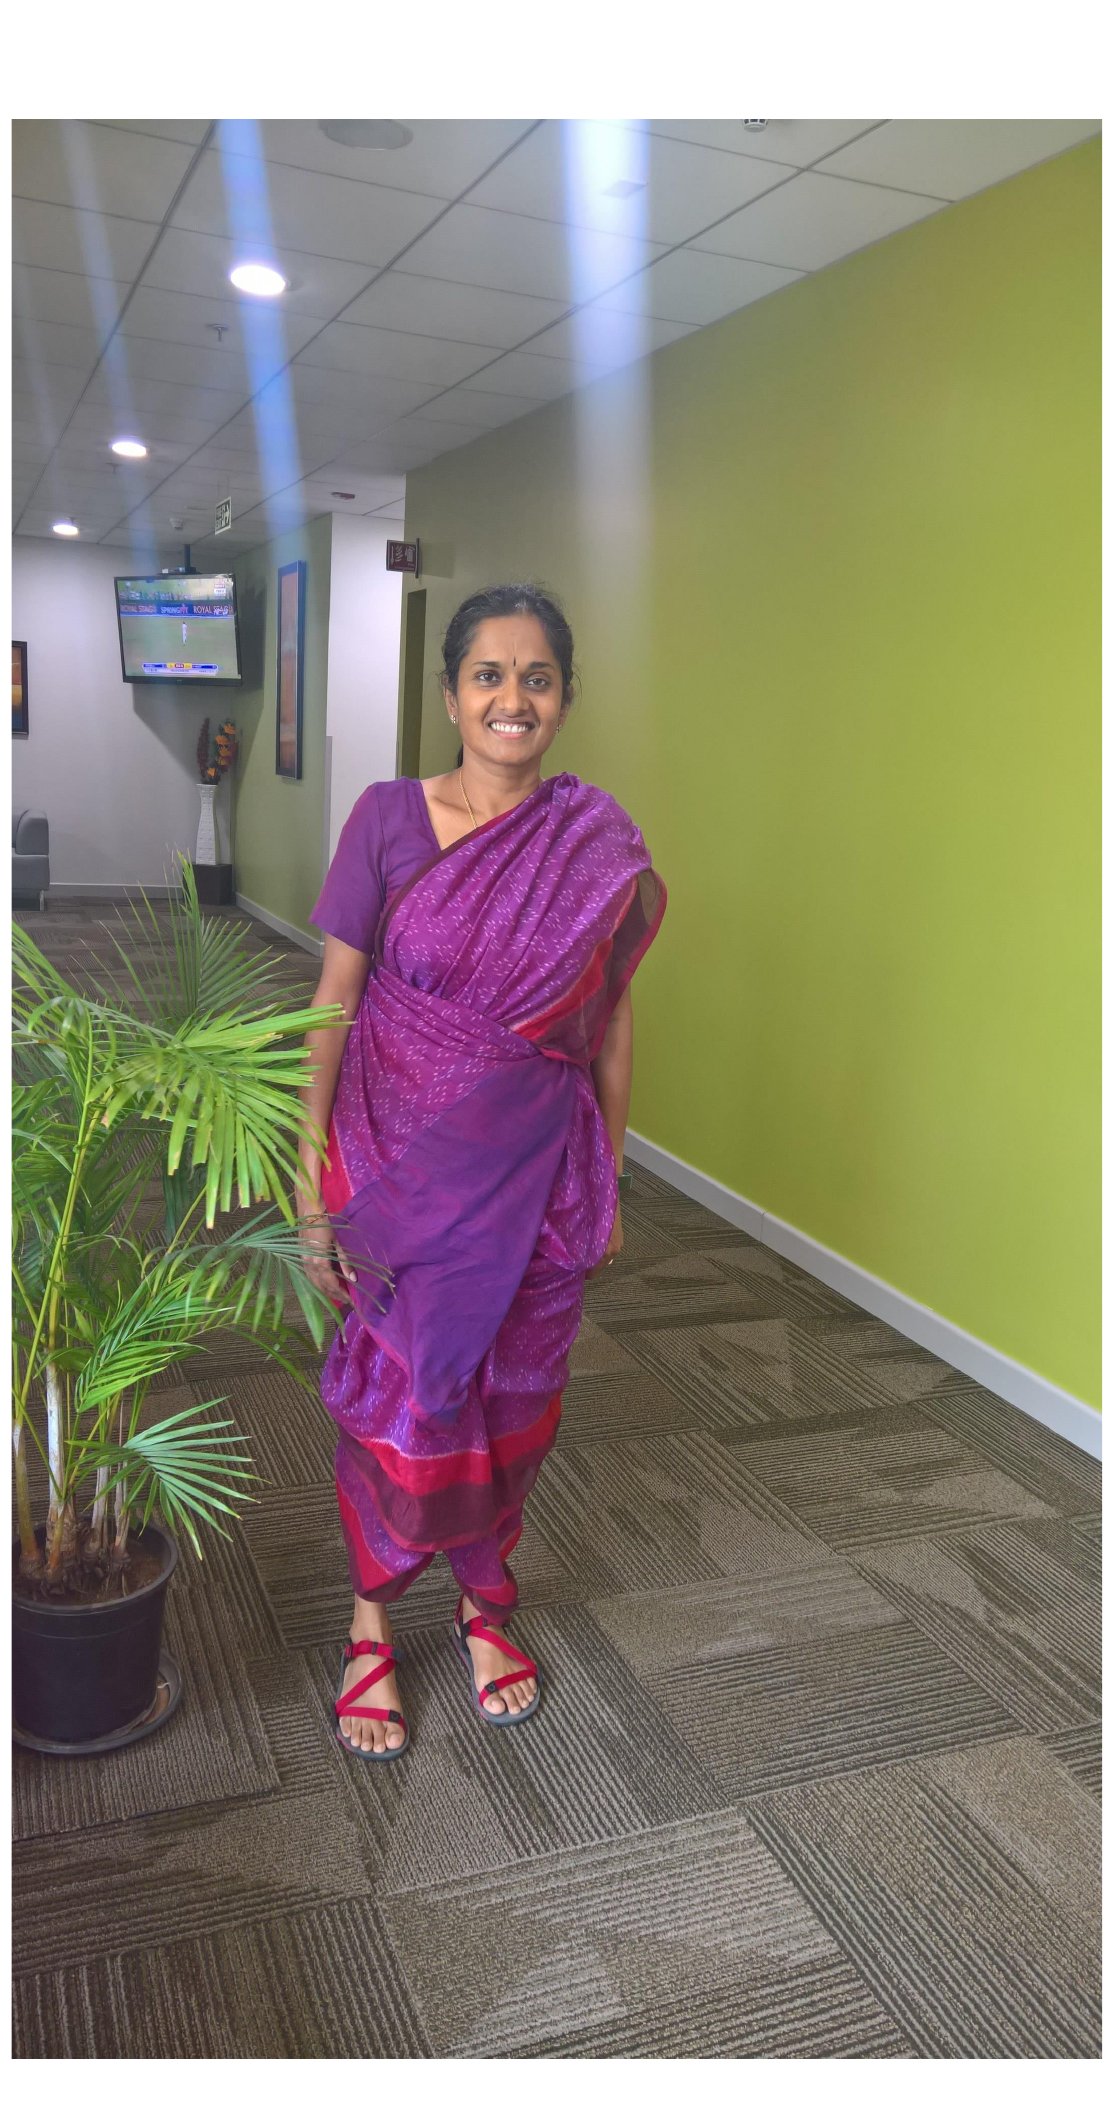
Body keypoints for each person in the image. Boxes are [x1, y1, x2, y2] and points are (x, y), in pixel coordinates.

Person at [297, 583, 667, 1760]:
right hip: (398, 1178)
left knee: (509, 1407)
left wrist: (606, 1171)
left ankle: (482, 1601)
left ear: (563, 698)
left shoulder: (594, 843)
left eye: (539, 677)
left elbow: (607, 1029)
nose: (514, 697)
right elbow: (330, 1009)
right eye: (490, 676)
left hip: (543, 1181)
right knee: (405, 1402)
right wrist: (308, 1181)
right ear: (451, 693)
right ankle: (368, 1619)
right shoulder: (387, 818)